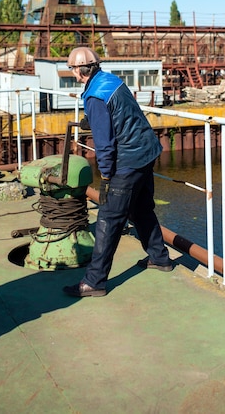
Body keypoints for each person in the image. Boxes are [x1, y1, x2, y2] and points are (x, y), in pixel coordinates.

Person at [63, 47, 172, 298]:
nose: (73, 73)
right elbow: (122, 114)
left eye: (73, 69)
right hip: (147, 152)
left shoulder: (94, 97)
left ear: (81, 70)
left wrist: (106, 175)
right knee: (141, 209)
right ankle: (160, 257)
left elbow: (105, 143)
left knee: (108, 220)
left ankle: (94, 281)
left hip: (128, 161)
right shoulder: (111, 81)